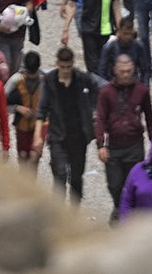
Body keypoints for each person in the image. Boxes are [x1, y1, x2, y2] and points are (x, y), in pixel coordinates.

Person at [95, 52, 152, 221]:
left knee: (135, 183)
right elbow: (100, 118)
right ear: (115, 70)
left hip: (135, 145)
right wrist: (100, 144)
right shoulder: (106, 92)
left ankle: (130, 214)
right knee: (115, 184)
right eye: (122, 71)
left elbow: (150, 118)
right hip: (113, 146)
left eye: (128, 71)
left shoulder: (142, 91)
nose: (125, 75)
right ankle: (118, 206)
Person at [38, 45, 102, 202]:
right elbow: (42, 108)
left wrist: (94, 111)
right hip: (57, 136)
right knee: (59, 174)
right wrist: (37, 136)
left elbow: (101, 89)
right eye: (62, 66)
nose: (65, 70)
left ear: (73, 63)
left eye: (68, 66)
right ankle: (59, 214)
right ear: (57, 64)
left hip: (78, 136)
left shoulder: (82, 79)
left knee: (76, 178)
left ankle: (74, 211)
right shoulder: (50, 80)